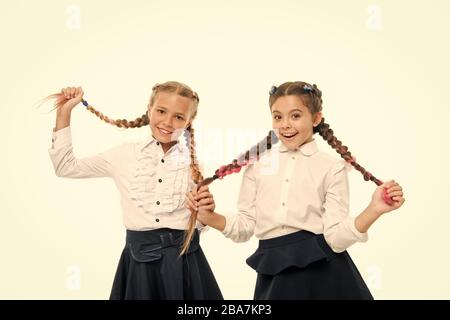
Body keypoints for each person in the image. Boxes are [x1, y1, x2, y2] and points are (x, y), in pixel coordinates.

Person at [186, 81, 405, 299]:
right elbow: (245, 228)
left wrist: (374, 209)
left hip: (326, 275)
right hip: (274, 273)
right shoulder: (258, 167)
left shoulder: (331, 167)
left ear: (316, 118)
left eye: (296, 115)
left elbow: (336, 238)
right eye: (278, 116)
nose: (285, 124)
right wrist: (208, 216)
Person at [46, 82, 223, 300]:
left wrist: (204, 217)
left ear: (189, 122)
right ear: (149, 108)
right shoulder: (123, 155)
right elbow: (66, 167)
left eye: (179, 117)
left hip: (186, 263)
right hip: (140, 266)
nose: (168, 122)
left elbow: (197, 224)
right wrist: (65, 112)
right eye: (161, 111)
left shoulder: (194, 165)